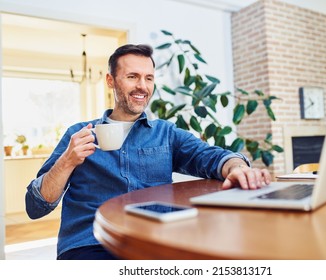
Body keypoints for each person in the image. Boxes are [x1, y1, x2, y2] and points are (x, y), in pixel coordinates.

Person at [25, 44, 272, 260]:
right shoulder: (78, 135)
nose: (142, 86)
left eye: (149, 78)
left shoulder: (165, 133)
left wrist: (238, 168)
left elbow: (209, 156)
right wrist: (67, 161)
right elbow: (36, 207)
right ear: (111, 81)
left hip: (154, 239)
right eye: (132, 76)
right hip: (90, 243)